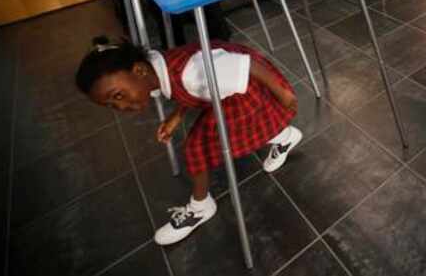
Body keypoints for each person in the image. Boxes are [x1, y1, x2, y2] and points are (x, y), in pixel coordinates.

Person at [75, 37, 303, 245]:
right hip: (228, 92)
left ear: (139, 70)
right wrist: (176, 116)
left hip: (246, 92)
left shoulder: (190, 71)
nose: (120, 107)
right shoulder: (156, 71)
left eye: (118, 95)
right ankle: (286, 137)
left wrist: (283, 94)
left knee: (197, 149)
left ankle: (201, 207)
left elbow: (246, 66)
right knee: (248, 130)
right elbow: (196, 87)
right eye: (111, 104)